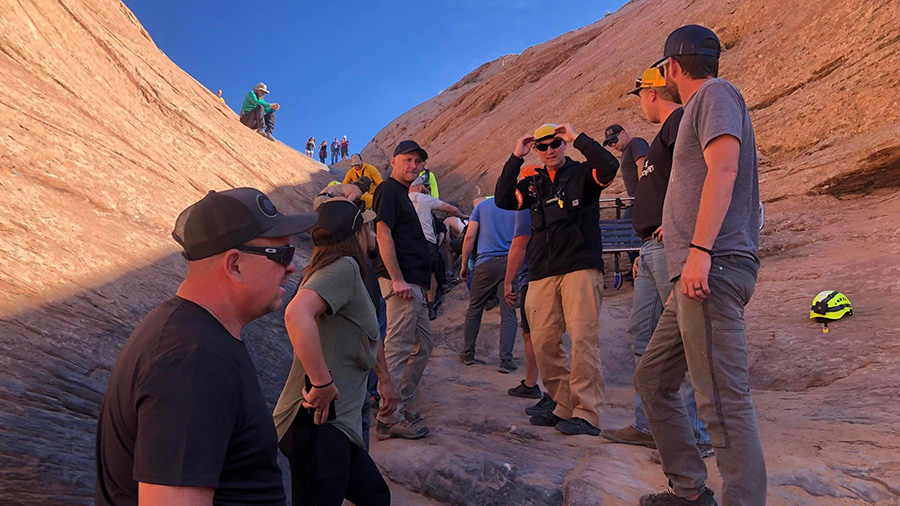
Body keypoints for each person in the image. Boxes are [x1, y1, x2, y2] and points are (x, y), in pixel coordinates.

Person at [95, 188, 317, 506]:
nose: (292, 267)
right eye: (282, 255)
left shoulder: (192, 335)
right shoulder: (193, 361)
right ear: (235, 265)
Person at [634, 25, 765, 506]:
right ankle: (689, 492)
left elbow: (725, 169)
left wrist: (701, 253)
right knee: (653, 380)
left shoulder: (713, 94)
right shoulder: (705, 101)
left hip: (713, 266)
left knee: (723, 403)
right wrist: (683, 265)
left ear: (671, 67)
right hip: (693, 273)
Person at [600, 67, 713, 461]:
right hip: (650, 250)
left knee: (682, 339)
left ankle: (695, 436)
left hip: (669, 247)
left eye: (639, 95)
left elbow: (701, 175)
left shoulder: (679, 122)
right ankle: (649, 424)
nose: (640, 104)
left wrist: (677, 228)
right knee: (641, 337)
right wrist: (644, 248)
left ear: (651, 92)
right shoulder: (660, 137)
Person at [494, 122, 619, 437]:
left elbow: (609, 166)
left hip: (579, 266)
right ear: (536, 149)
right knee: (543, 341)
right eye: (543, 146)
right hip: (542, 271)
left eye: (555, 144)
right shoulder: (533, 183)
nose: (550, 150)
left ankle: (587, 413)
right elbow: (503, 199)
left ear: (563, 144)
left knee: (582, 341)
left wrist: (577, 138)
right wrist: (515, 157)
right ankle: (563, 405)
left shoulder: (581, 174)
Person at [273, 199, 396, 506]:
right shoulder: (341, 268)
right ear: (356, 235)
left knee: (376, 497)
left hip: (333, 427)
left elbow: (368, 331)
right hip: (317, 425)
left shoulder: (350, 272)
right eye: (367, 227)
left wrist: (386, 381)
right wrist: (322, 383)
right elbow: (296, 314)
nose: (371, 232)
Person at [371, 139, 435, 440]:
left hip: (414, 283)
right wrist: (397, 279)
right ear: (394, 161)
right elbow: (382, 234)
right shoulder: (387, 190)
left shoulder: (403, 194)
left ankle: (397, 402)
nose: (413, 166)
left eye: (418, 162)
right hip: (402, 283)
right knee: (397, 348)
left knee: (424, 344)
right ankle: (388, 417)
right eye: (407, 160)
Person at [457, 196, 519, 372]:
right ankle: (506, 360)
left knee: (475, 308)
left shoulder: (482, 207)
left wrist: (464, 264)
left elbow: (469, 237)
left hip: (485, 263)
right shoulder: (517, 206)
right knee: (509, 312)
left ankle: (468, 352)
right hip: (510, 262)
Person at [406, 175, 466, 318]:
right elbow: (449, 208)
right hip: (426, 241)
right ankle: (431, 304)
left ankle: (416, 306)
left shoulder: (401, 200)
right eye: (425, 186)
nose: (426, 189)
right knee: (430, 273)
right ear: (419, 186)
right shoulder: (424, 199)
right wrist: (462, 216)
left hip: (408, 243)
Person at [604, 123, 649, 271]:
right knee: (631, 234)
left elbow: (642, 164)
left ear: (623, 133)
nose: (613, 144)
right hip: (635, 199)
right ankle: (638, 266)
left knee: (626, 232)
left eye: (614, 140)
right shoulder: (626, 151)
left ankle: (641, 267)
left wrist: (643, 192)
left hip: (641, 198)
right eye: (610, 143)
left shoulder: (636, 143)